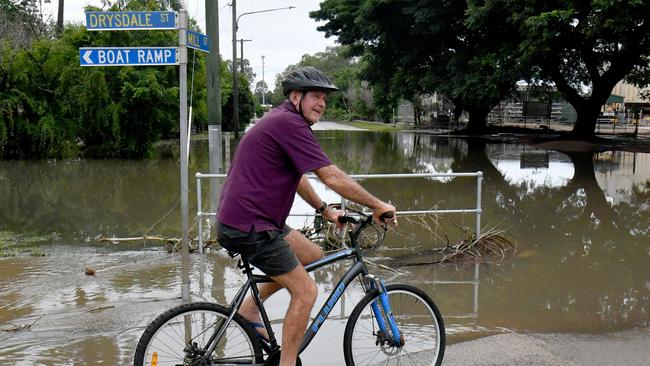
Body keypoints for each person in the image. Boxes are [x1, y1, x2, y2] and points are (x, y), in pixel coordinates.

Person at [216, 66, 397, 366]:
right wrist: (377, 205)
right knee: (306, 292)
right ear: (296, 97)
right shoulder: (290, 124)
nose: (322, 103)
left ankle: (249, 310)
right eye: (316, 96)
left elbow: (298, 175)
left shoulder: (283, 121)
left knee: (312, 255)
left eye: (325, 98)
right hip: (252, 226)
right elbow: (330, 176)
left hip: (256, 220)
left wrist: (326, 210)